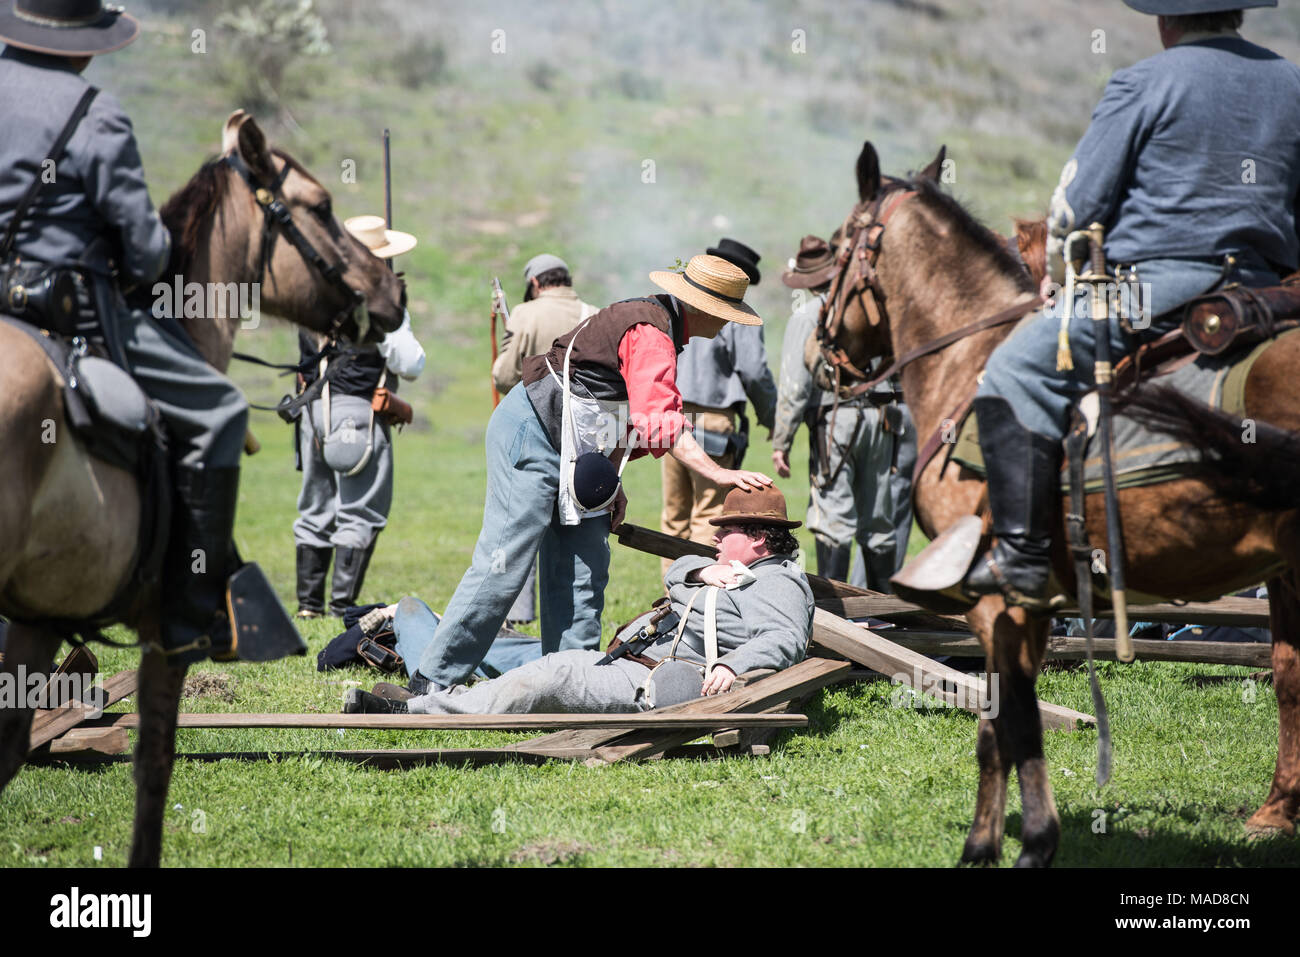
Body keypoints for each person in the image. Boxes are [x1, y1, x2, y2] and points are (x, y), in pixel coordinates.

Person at [965, 1, 1300, 607]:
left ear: (1165, 22)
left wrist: (1061, 274)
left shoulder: (1142, 81)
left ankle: (1019, 556)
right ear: (1238, 15)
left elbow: (1076, 207)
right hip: (1268, 294)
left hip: (1156, 289)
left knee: (1013, 369)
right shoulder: (1291, 81)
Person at [0, 1, 275, 663]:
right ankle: (190, 614)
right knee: (222, 411)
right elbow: (148, 252)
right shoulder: (96, 114)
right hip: (68, 312)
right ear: (88, 42)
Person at [393, 254, 774, 699]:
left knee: (582, 565)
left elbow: (612, 413)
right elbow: (658, 418)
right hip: (532, 431)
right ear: (706, 309)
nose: (728, 325)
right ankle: (435, 677)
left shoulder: (664, 330)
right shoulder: (651, 332)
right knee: (506, 557)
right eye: (727, 316)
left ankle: (567, 682)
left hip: (578, 451)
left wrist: (610, 482)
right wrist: (718, 470)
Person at [343, 486, 813, 715]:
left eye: (724, 532)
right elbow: (676, 571)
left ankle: (413, 712)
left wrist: (734, 665)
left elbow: (786, 638)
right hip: (630, 659)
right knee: (543, 666)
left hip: (657, 678)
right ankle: (449, 694)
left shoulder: (777, 583)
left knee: (553, 674)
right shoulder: (728, 569)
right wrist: (697, 569)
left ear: (756, 538)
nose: (714, 539)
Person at [293, 215, 426, 618]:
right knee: (360, 510)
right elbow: (411, 363)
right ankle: (340, 605)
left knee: (315, 506)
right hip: (358, 411)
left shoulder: (316, 292)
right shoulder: (382, 301)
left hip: (311, 410)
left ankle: (308, 606)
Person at [771, 235, 916, 590]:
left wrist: (782, 440)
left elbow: (794, 386)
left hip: (835, 421)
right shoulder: (873, 310)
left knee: (832, 517)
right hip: (882, 419)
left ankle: (837, 617)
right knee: (878, 519)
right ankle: (884, 617)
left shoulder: (807, 315)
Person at [491, 252, 599, 626]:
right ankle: (569, 614)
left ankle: (518, 614)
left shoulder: (524, 313)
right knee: (574, 524)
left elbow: (505, 376)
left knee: (520, 519)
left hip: (533, 428)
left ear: (535, 283)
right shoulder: (593, 312)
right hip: (582, 436)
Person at [661, 238, 777, 566]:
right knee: (707, 515)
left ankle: (670, 594)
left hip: (674, 416)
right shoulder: (736, 311)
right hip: (713, 420)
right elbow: (754, 372)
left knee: (674, 515)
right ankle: (691, 597)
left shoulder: (682, 300)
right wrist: (771, 417)